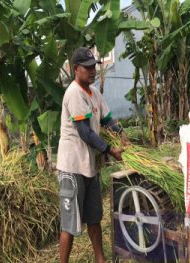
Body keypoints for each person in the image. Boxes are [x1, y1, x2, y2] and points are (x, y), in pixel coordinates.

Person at [56, 47, 129, 263]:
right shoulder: (73, 93)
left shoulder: (94, 93)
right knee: (69, 225)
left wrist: (121, 133)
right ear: (75, 69)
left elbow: (107, 120)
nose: (92, 71)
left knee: (94, 218)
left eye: (93, 67)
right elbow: (85, 132)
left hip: (89, 166)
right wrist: (109, 150)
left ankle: (100, 259)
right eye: (87, 68)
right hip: (72, 166)